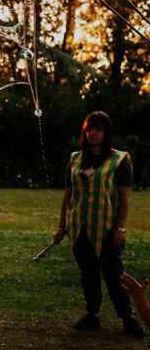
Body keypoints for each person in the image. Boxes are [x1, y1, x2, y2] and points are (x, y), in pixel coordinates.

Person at [53, 111, 144, 337]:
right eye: (89, 128)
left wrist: (120, 227)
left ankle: (127, 318)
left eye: (98, 128)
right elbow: (68, 194)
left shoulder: (120, 160)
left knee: (114, 273)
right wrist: (62, 226)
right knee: (88, 273)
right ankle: (92, 315)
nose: (93, 132)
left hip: (107, 228)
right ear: (85, 131)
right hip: (79, 227)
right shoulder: (75, 158)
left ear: (107, 132)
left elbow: (125, 197)